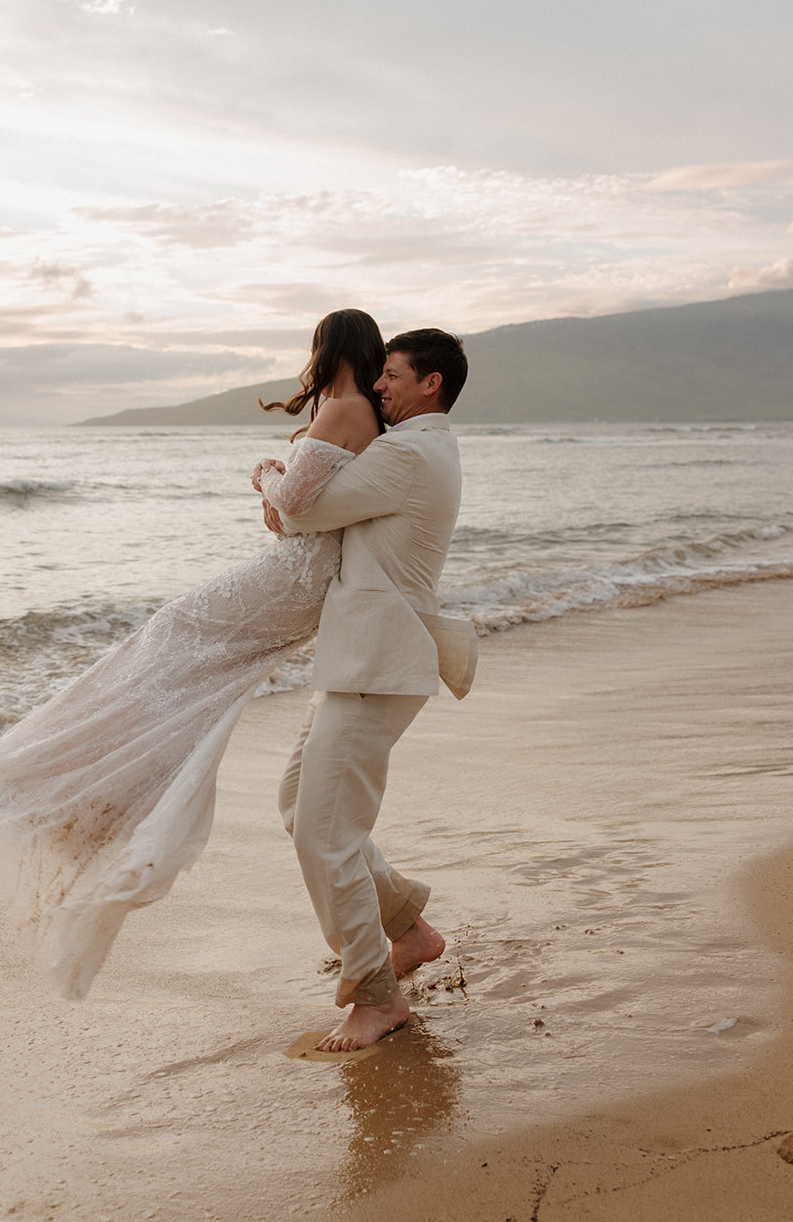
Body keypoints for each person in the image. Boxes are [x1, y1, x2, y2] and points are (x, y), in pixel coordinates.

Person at [0, 308, 386, 1000]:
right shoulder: (364, 413)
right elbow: (303, 512)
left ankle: (98, 789)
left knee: (170, 635)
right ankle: (109, 793)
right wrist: (283, 498)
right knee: (192, 673)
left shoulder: (341, 410)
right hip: (308, 577)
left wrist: (264, 474)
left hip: (295, 577)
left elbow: (292, 503)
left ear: (326, 348)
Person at [255, 328, 474, 1052]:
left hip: (377, 666)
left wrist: (265, 477)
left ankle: (376, 998)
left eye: (391, 375)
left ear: (429, 384)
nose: (378, 386)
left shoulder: (407, 452)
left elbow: (303, 509)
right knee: (299, 807)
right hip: (363, 664)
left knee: (326, 832)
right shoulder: (420, 449)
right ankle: (407, 930)